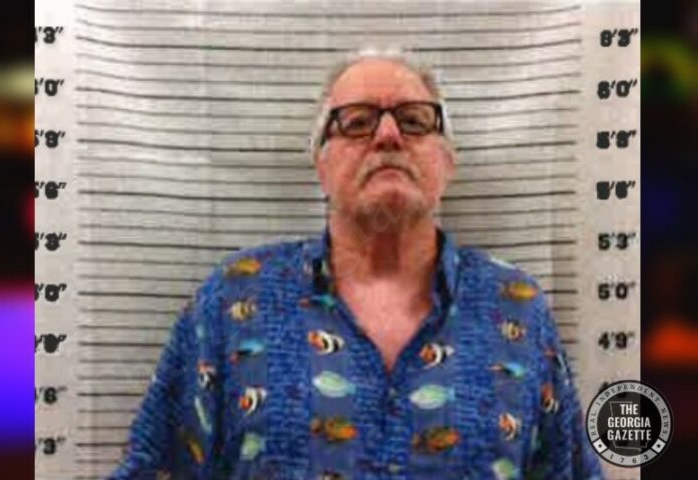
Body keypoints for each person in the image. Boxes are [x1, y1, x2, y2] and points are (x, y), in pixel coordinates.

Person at [109, 48, 604, 479]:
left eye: (415, 120)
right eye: (357, 121)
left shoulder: (517, 308)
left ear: (448, 164)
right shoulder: (235, 300)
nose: (388, 135)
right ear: (321, 163)